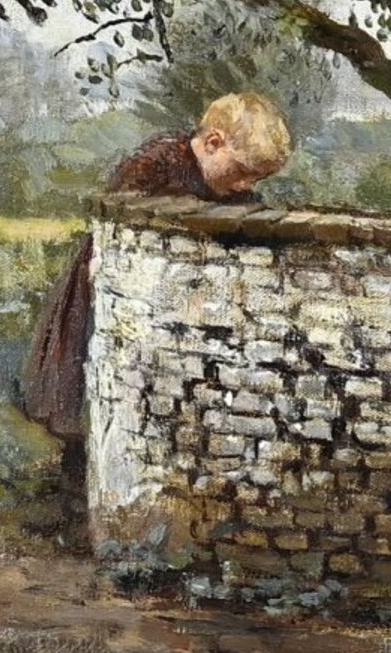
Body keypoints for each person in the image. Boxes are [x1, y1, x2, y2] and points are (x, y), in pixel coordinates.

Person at [22, 91, 294, 531]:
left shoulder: (232, 192)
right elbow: (124, 213)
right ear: (212, 143)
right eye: (242, 172)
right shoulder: (156, 162)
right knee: (84, 389)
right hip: (104, 290)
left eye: (255, 179)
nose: (246, 185)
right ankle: (73, 500)